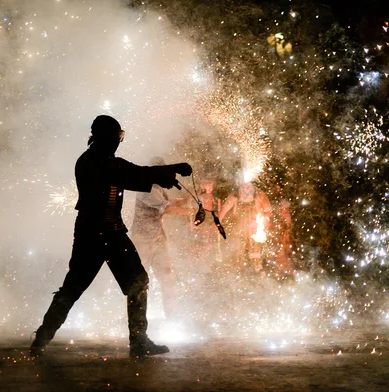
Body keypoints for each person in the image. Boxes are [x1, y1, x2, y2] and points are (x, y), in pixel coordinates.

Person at [29, 115, 192, 358]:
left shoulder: (102, 160)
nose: (119, 141)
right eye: (117, 137)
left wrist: (168, 171)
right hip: (96, 235)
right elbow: (132, 174)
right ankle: (43, 337)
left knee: (135, 282)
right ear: (106, 137)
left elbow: (135, 172)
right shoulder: (93, 163)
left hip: (109, 233)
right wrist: (168, 171)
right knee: (77, 287)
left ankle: (137, 341)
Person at [130, 156, 194, 319]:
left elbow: (168, 202)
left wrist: (185, 201)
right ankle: (134, 321)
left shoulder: (157, 186)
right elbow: (167, 208)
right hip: (142, 241)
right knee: (139, 282)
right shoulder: (146, 187)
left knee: (168, 279)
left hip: (158, 239)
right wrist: (193, 212)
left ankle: (172, 318)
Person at [219, 176, 271, 274]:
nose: (246, 188)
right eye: (243, 186)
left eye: (248, 185)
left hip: (254, 230)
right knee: (238, 253)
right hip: (238, 230)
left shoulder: (260, 195)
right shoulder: (234, 197)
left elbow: (268, 211)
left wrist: (265, 222)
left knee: (255, 253)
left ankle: (258, 274)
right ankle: (237, 275)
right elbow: (224, 210)